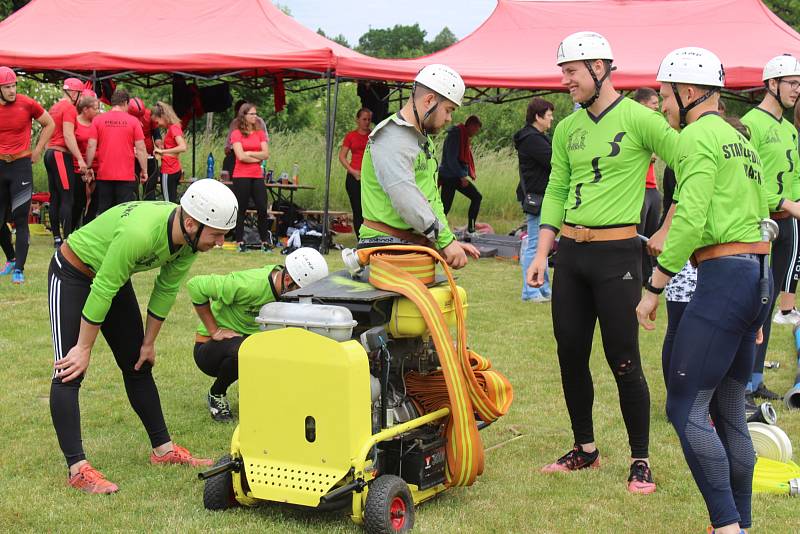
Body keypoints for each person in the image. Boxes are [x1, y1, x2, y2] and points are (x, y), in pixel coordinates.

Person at [636, 47, 800, 534]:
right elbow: (763, 208)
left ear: (687, 93)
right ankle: (741, 525)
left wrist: (654, 286)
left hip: (726, 278)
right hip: (757, 278)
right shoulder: (739, 139)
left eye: (665, 96)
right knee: (729, 405)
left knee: (685, 408)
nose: (664, 107)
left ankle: (726, 527)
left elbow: (689, 213)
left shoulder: (695, 137)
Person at [526, 32, 679, 493]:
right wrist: (540, 249)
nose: (565, 82)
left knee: (624, 359)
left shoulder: (639, 118)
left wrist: (669, 225)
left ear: (598, 67)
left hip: (618, 257)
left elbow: (689, 163)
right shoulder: (569, 128)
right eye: (563, 73)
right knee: (570, 354)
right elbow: (556, 190)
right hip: (570, 255)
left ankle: (640, 459)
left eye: (571, 73)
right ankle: (585, 450)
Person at [48, 179, 239, 494]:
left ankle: (163, 450)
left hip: (111, 275)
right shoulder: (140, 234)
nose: (220, 242)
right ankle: (77, 468)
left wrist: (148, 343)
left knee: (138, 363)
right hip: (73, 272)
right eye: (216, 234)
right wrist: (83, 347)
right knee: (69, 369)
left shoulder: (189, 242)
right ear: (191, 223)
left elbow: (165, 289)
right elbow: (103, 288)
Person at [358, 63, 480, 269]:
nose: (449, 118)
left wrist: (446, 238)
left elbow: (431, 197)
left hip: (411, 246)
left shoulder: (422, 139)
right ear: (430, 100)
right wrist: (444, 240)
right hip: (385, 247)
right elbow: (405, 198)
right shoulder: (391, 137)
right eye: (448, 109)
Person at [188, 248, 329, 422]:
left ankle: (254, 395)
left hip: (249, 343)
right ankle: (216, 394)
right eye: (300, 293)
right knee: (248, 349)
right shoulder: (249, 284)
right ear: (287, 280)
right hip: (210, 349)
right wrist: (214, 330)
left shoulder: (288, 289)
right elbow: (196, 285)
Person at [741, 54, 800, 406]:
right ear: (772, 84)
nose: (797, 90)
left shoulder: (790, 128)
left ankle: (755, 380)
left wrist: (793, 204)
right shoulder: (751, 124)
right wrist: (788, 203)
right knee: (750, 306)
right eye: (792, 83)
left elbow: (793, 177)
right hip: (756, 225)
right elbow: (746, 182)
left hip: (785, 227)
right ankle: (739, 385)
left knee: (767, 305)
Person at [0, 66, 55, 285]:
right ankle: (11, 259)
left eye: (14, 85)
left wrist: (38, 150)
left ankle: (19, 269)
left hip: (21, 165)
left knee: (21, 219)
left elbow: (49, 124)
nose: (12, 90)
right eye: (7, 87)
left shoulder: (27, 103)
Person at [514, 97, 555, 302]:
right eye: (549, 115)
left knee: (543, 245)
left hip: (543, 198)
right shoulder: (532, 139)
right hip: (537, 199)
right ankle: (530, 291)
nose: (552, 119)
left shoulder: (537, 137)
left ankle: (543, 287)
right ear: (538, 117)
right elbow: (554, 160)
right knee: (535, 245)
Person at [86, 90, 147, 214]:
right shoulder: (133, 121)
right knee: (123, 212)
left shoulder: (98, 120)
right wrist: (144, 170)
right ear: (125, 103)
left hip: (104, 174)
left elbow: (91, 145)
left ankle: (104, 233)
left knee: (104, 211)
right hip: (126, 175)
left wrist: (88, 167)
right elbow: (141, 149)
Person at [44, 78, 86, 247]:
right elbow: (68, 136)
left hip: (50, 153)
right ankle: (67, 239)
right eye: (81, 94)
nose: (81, 99)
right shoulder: (69, 108)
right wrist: (81, 159)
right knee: (67, 198)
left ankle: (56, 238)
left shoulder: (54, 107)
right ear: (74, 93)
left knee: (55, 197)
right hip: (61, 155)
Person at [230, 103, 271, 253]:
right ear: (244, 116)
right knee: (241, 209)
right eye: (252, 114)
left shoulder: (259, 133)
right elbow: (240, 156)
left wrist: (249, 154)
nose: (255, 117)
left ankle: (264, 242)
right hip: (241, 175)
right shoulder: (236, 133)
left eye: (255, 114)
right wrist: (255, 156)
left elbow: (266, 154)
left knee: (262, 208)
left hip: (256, 175)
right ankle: (240, 241)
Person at [632, 87, 663, 283]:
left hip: (652, 189)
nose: (657, 109)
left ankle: (648, 276)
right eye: (654, 104)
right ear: (642, 103)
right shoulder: (633, 123)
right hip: (639, 188)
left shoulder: (651, 125)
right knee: (638, 235)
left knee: (651, 236)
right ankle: (635, 274)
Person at [439, 115, 483, 235]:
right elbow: (451, 159)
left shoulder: (462, 135)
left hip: (452, 175)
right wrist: (462, 176)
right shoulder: (456, 135)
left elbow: (460, 158)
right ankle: (469, 229)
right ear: (471, 125)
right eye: (476, 129)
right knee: (475, 197)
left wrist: (466, 173)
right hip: (450, 176)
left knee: (445, 207)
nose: (475, 133)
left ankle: (470, 229)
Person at [338, 107, 372, 238]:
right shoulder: (351, 136)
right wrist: (353, 171)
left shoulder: (373, 135)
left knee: (369, 210)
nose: (367, 122)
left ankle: (370, 236)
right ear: (357, 120)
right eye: (364, 119)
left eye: (369, 119)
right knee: (357, 210)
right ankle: (360, 238)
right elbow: (342, 156)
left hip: (369, 177)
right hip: (354, 177)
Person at [128, 97, 163, 201]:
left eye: (141, 116)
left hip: (149, 155)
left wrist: (159, 145)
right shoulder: (125, 117)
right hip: (132, 157)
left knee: (150, 187)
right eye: (135, 117)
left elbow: (156, 135)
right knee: (133, 188)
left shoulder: (149, 114)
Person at [151, 102, 186, 203]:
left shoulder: (173, 128)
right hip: (173, 168)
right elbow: (175, 149)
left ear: (162, 116)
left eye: (157, 122)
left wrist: (162, 151)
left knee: (168, 203)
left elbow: (183, 147)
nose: (158, 125)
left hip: (169, 170)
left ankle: (171, 219)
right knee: (172, 201)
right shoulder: (173, 127)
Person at [73, 91, 100, 224]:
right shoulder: (74, 122)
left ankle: (87, 227)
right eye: (95, 109)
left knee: (95, 200)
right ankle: (71, 230)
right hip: (78, 167)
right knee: (80, 201)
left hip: (97, 166)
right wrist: (84, 165)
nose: (98, 111)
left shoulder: (98, 122)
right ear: (85, 109)